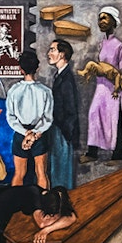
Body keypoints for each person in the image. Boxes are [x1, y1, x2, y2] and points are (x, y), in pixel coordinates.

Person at [80, 6, 122, 166]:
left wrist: (112, 77)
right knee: (94, 115)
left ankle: (117, 155)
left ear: (113, 22)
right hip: (100, 88)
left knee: (115, 119)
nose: (101, 22)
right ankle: (92, 152)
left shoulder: (119, 46)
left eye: (104, 18)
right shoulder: (102, 44)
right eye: (100, 18)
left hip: (113, 89)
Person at [5, 49, 53, 188]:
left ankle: (15, 207)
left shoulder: (13, 90)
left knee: (19, 174)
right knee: (41, 173)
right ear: (37, 68)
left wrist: (25, 133)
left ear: (20, 69)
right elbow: (48, 119)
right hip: (40, 135)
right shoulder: (46, 91)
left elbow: (11, 117)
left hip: (20, 134)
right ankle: (44, 206)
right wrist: (35, 134)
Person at [46, 39, 80, 188]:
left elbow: (71, 110)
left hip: (63, 132)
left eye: (52, 50)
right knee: (57, 169)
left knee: (61, 172)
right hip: (58, 129)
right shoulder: (60, 76)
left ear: (62, 54)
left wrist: (66, 133)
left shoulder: (66, 79)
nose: (49, 53)